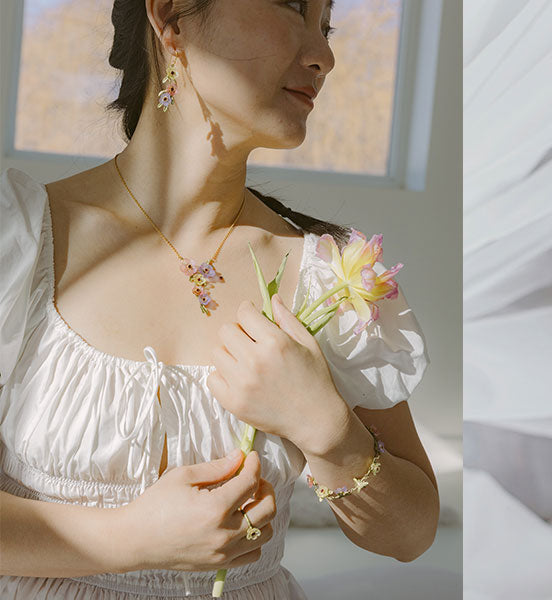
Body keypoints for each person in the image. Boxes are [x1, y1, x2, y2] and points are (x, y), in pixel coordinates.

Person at [0, 1, 438, 596]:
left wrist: (327, 428)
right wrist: (132, 538)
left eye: (327, 27)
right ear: (172, 17)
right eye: (291, 8)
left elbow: (410, 536)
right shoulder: (19, 240)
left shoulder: (333, 277)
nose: (325, 56)